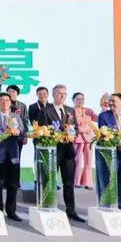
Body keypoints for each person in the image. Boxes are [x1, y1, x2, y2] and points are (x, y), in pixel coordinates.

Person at [47, 85, 85, 222]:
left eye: (64, 94)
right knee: (50, 181)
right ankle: (49, 207)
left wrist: (72, 135)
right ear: (53, 95)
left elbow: (76, 129)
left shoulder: (70, 110)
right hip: (53, 151)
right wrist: (56, 136)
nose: (62, 96)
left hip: (68, 151)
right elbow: (42, 131)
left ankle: (71, 210)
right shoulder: (46, 110)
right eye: (59, 93)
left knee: (69, 183)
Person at [0, 93, 25, 221]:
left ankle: (11, 211)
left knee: (13, 185)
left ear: (10, 102)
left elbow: (22, 132)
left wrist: (18, 132)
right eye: (1, 100)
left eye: (7, 100)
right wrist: (7, 132)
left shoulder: (16, 117)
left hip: (13, 155)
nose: (4, 102)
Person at [0, 82, 29, 156]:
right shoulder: (2, 102)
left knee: (16, 157)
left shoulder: (22, 106)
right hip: (2, 135)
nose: (11, 93)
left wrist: (25, 136)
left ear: (17, 93)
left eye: (13, 91)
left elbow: (25, 121)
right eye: (9, 91)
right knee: (1, 157)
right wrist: (0, 84)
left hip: (17, 136)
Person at [73, 92, 97, 190]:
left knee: (88, 160)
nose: (80, 101)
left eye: (82, 99)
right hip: (77, 138)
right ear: (73, 100)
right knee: (78, 160)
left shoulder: (88, 110)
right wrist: (81, 130)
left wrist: (93, 113)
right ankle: (76, 181)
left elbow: (97, 119)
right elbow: (70, 125)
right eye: (78, 99)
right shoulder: (71, 111)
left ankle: (88, 182)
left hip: (89, 139)